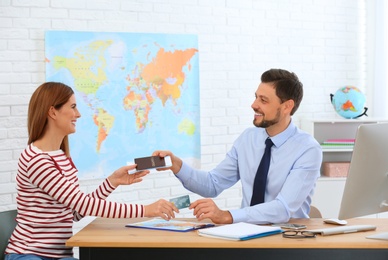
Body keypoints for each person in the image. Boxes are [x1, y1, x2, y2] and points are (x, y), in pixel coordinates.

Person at [5, 82, 178, 260]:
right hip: (28, 254)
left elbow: (76, 213)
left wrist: (112, 182)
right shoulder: (37, 160)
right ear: (52, 112)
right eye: (72, 107)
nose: (78, 114)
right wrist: (146, 210)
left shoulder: (62, 158)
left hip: (58, 256)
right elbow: (83, 205)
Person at [154, 68, 322, 225]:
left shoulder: (307, 149)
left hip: (287, 240)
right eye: (256, 97)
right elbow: (213, 184)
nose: (254, 105)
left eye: (263, 100)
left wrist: (227, 215)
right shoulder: (248, 139)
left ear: (287, 106)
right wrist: (177, 165)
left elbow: (283, 209)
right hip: (246, 235)